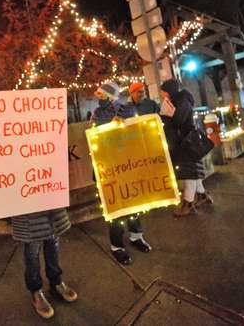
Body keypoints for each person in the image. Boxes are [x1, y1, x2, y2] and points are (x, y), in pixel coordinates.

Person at [0, 173, 77, 319]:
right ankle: (36, 290)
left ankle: (56, 282)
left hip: (49, 197)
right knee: (32, 251)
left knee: (53, 244)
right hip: (26, 206)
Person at [91, 82, 153, 265]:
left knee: (134, 203)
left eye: (103, 93)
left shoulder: (125, 109)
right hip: (109, 167)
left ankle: (136, 236)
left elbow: (135, 131)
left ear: (111, 95)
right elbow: (96, 135)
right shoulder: (97, 113)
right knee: (116, 208)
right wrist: (109, 125)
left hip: (128, 164)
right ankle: (117, 246)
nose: (99, 95)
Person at [160, 79, 213, 217]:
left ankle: (188, 204)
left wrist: (166, 115)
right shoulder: (178, 100)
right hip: (182, 141)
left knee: (189, 172)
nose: (163, 95)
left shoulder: (183, 100)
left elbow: (178, 120)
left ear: (170, 90)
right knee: (192, 170)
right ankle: (202, 196)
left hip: (187, 141)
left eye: (164, 92)